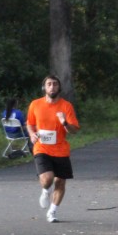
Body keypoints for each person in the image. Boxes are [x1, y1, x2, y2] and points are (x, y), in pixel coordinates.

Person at [26, 75, 80, 223]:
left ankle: (52, 211)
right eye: (49, 84)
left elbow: (74, 130)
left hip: (61, 150)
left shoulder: (66, 106)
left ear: (59, 87)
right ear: (44, 88)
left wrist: (64, 122)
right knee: (47, 179)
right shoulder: (35, 104)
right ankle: (45, 191)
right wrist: (31, 134)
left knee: (60, 182)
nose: (52, 87)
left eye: (55, 84)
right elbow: (30, 123)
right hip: (41, 148)